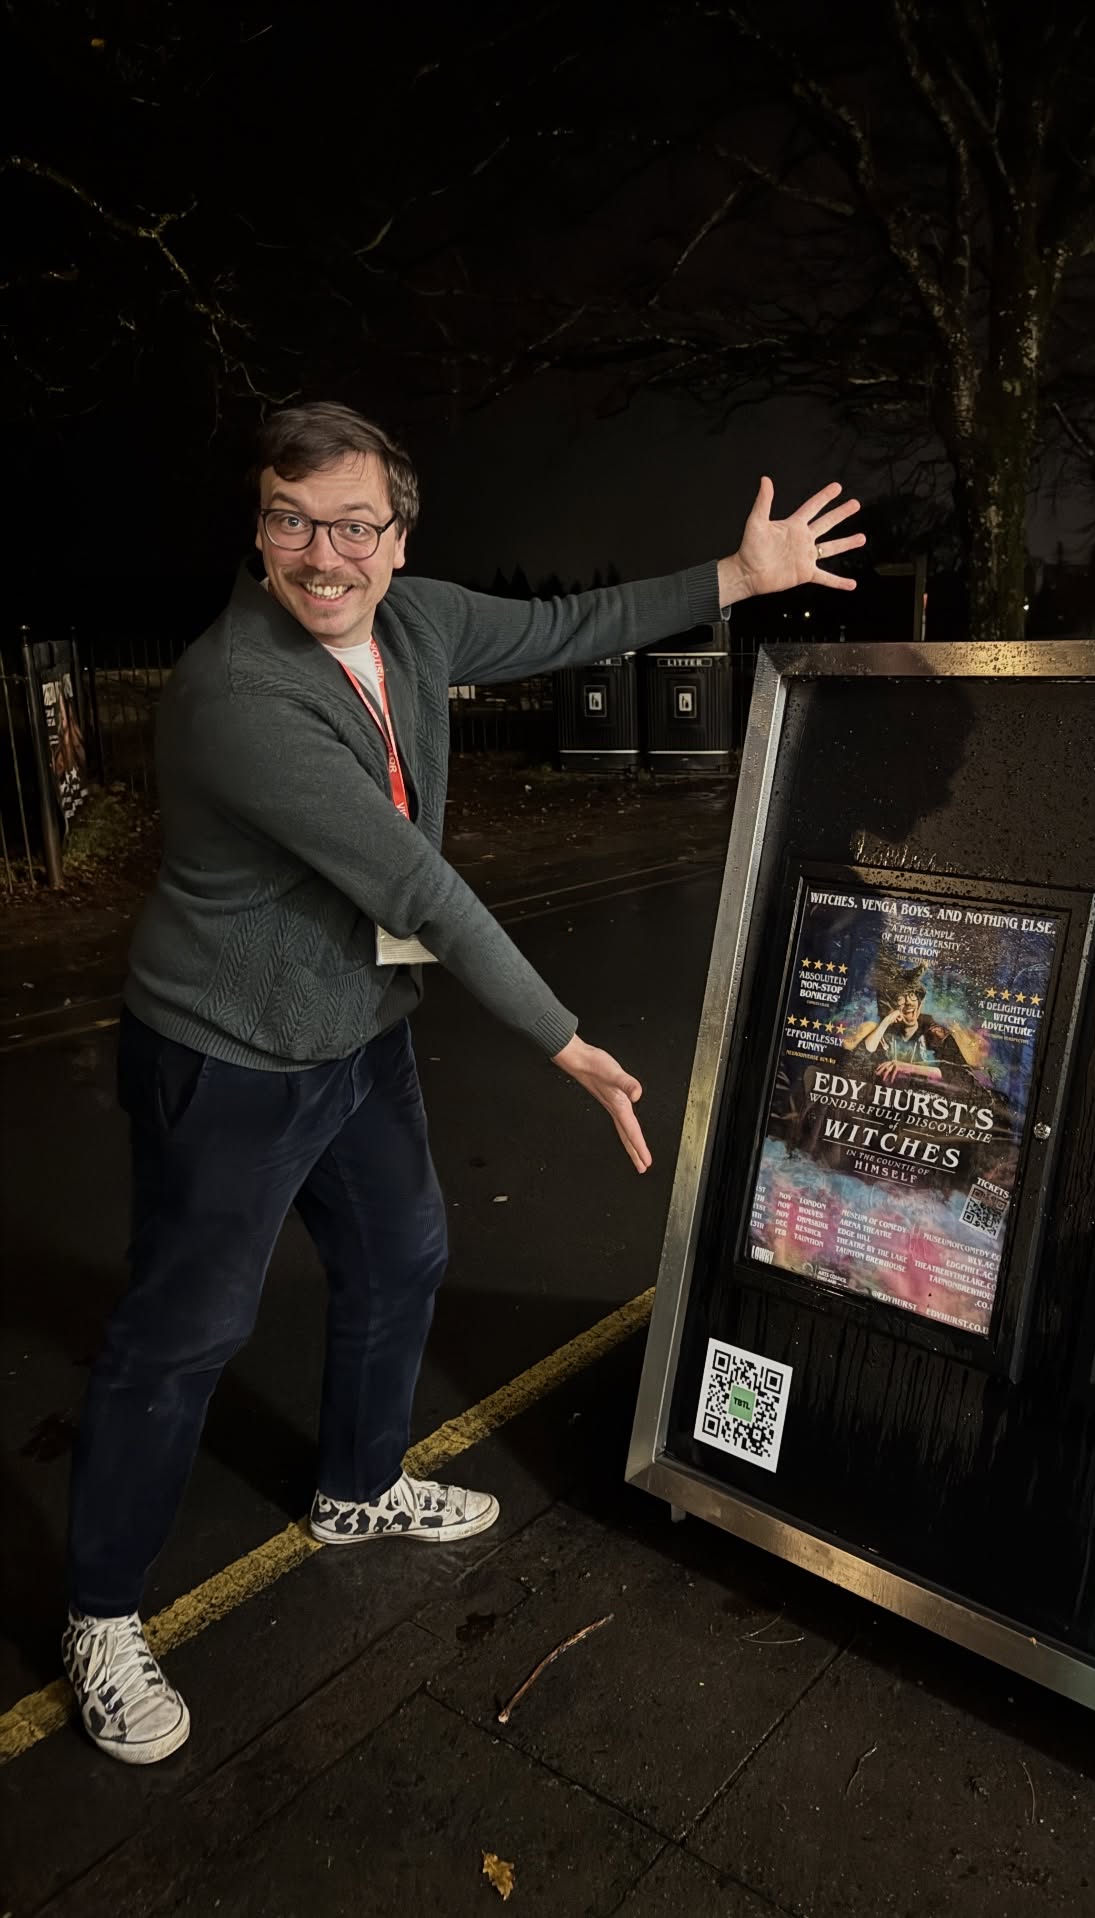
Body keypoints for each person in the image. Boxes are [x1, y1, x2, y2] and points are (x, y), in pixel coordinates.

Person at [62, 400, 865, 1764]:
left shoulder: (419, 618)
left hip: (358, 1027)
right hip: (229, 1052)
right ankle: (99, 1612)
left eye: (353, 523)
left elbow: (568, 628)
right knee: (184, 1331)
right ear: (259, 527)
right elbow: (412, 881)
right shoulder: (235, 693)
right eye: (289, 519)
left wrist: (735, 578)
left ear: (398, 530)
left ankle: (358, 1486)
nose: (323, 555)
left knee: (403, 1250)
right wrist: (565, 1038)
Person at [845, 973, 987, 1086]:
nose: (908, 1002)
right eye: (901, 997)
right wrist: (885, 1022)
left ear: (920, 1004)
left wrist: (906, 1068)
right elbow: (857, 1063)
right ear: (893, 1004)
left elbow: (961, 1076)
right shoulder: (885, 1032)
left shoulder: (935, 1032)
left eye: (913, 996)